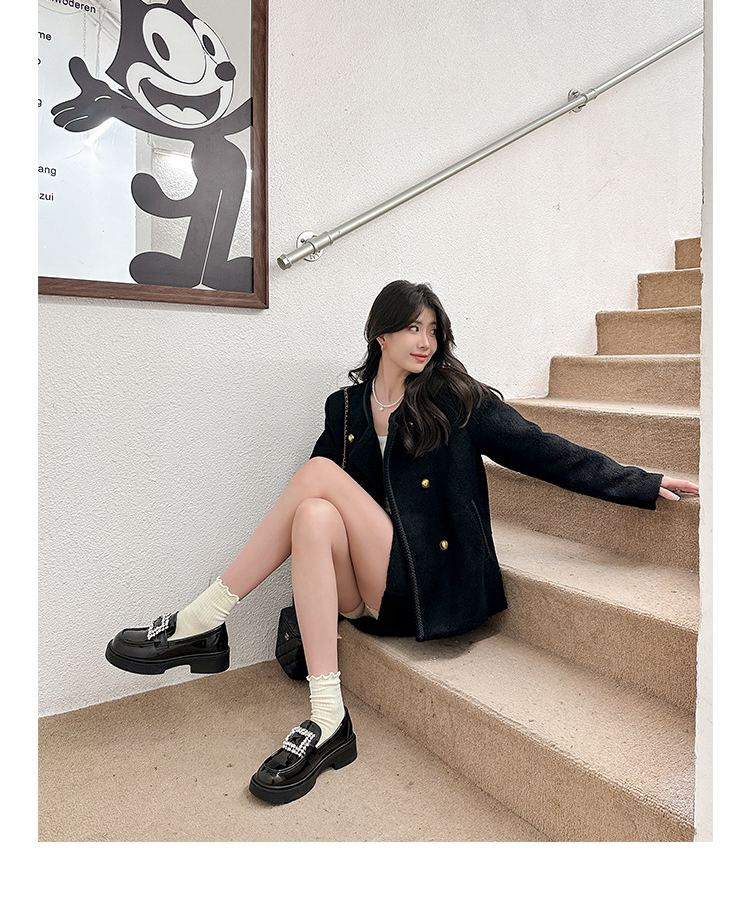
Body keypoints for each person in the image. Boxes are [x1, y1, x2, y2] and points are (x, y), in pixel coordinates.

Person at [105, 280, 698, 805]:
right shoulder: (345, 408)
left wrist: (641, 482)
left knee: (316, 479)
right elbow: (318, 514)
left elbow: (543, 451)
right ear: (381, 334)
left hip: (422, 584)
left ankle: (205, 618)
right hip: (365, 588)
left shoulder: (456, 400)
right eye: (413, 328)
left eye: (433, 330)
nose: (425, 341)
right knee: (312, 512)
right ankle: (328, 716)